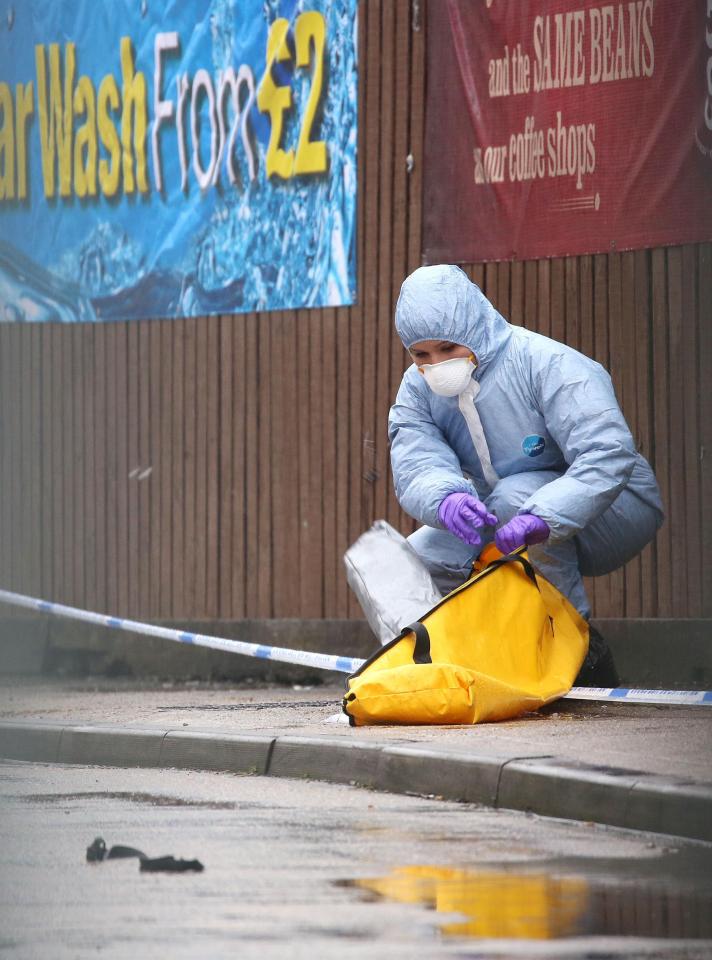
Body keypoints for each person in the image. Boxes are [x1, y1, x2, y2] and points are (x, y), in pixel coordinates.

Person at [388, 264, 664, 686]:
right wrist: (446, 498)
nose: (435, 364)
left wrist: (544, 514)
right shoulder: (417, 387)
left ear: (473, 326)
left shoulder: (545, 362)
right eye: (420, 354)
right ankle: (452, 666)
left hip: (619, 507)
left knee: (514, 496)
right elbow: (415, 458)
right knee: (420, 558)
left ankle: (577, 655)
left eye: (447, 348)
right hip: (504, 505)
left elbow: (606, 452)